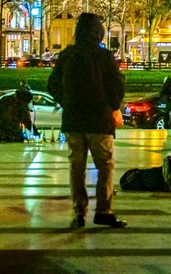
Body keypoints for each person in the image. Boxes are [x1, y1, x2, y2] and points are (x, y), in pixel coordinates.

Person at [48, 13, 127, 228]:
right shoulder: (104, 57)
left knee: (77, 166)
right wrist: (112, 106)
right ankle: (103, 210)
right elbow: (116, 86)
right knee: (105, 165)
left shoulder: (67, 55)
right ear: (98, 32)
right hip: (99, 120)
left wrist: (67, 101)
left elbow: (52, 85)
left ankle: (78, 212)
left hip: (73, 120)